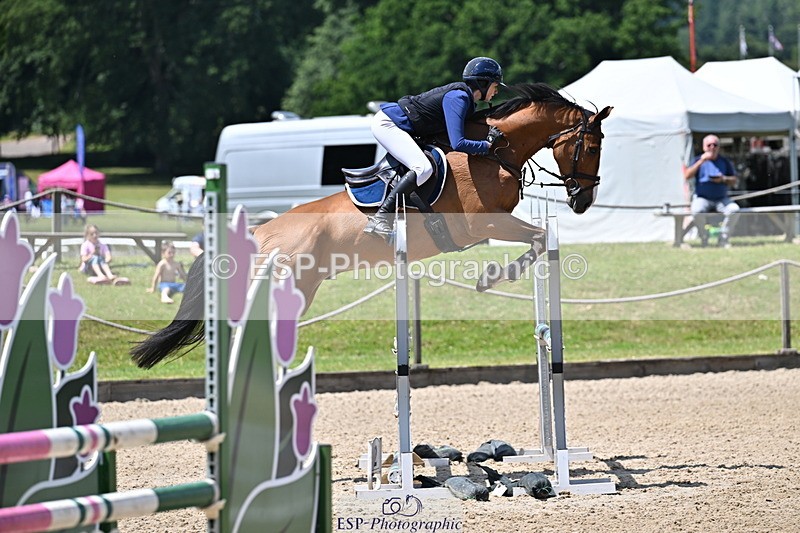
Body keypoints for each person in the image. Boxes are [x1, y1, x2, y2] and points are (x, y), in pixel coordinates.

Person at [364, 56, 507, 240]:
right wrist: (486, 145)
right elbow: (458, 143)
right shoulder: (460, 98)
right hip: (389, 124)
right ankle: (381, 217)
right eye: (495, 86)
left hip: (401, 126)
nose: (496, 92)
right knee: (423, 168)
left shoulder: (465, 100)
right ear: (483, 83)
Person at [683, 134, 740, 247]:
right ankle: (704, 237)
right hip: (702, 197)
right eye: (709, 145)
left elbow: (734, 180)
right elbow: (687, 175)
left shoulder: (724, 161)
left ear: (719, 147)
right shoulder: (697, 160)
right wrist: (701, 162)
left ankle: (723, 239)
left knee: (734, 210)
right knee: (696, 211)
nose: (712, 147)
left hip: (721, 198)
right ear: (704, 147)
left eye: (715, 145)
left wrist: (723, 179)